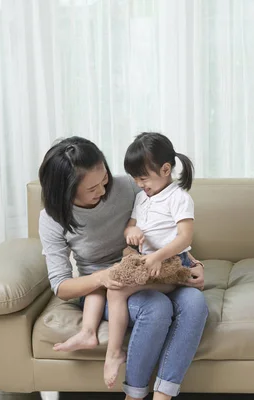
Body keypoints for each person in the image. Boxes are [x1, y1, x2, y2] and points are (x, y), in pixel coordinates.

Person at [38, 136, 208, 400]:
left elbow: (163, 228)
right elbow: (62, 286)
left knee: (195, 303)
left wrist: (193, 264)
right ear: (66, 191)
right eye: (92, 188)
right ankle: (135, 394)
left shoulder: (130, 186)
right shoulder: (52, 218)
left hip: (150, 268)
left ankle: (164, 393)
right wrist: (104, 277)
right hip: (103, 284)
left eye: (104, 178)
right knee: (155, 307)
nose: (103, 190)